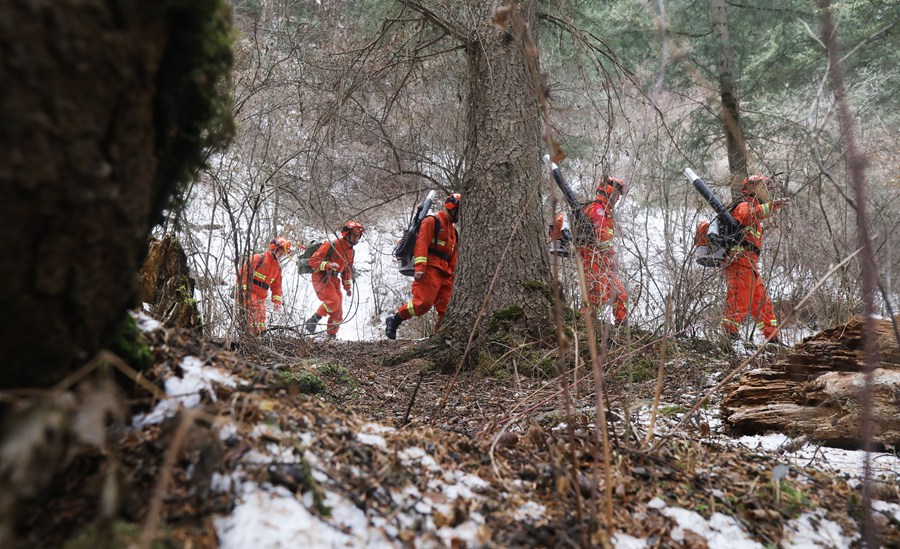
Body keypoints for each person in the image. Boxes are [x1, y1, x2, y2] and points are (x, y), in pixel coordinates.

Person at [722, 174, 790, 346]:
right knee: (738, 300)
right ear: (751, 188)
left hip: (750, 265)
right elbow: (748, 216)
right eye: (763, 186)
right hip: (739, 262)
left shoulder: (755, 208)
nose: (766, 189)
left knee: (762, 303)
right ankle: (729, 339)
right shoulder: (744, 205)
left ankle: (773, 339)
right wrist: (772, 206)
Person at [385, 193, 460, 340]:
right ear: (452, 207)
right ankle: (395, 319)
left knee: (447, 310)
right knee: (422, 304)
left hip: (446, 274)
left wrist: (453, 274)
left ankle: (439, 338)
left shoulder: (454, 231)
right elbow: (421, 244)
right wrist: (420, 268)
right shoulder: (432, 221)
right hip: (430, 269)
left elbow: (453, 256)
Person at [577, 176, 628, 325]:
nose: (618, 198)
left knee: (620, 294)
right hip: (592, 260)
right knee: (597, 296)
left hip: (601, 261)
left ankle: (621, 328)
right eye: (617, 194)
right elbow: (602, 235)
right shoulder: (597, 209)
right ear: (610, 191)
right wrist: (611, 256)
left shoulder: (604, 210)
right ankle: (584, 326)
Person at [304, 220, 364, 338]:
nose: (357, 238)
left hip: (335, 280)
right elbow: (313, 261)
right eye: (355, 235)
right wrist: (328, 265)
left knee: (338, 312)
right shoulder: (332, 245)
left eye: (359, 236)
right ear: (347, 234)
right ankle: (313, 320)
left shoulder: (351, 252)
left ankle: (331, 337)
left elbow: (347, 270)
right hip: (321, 277)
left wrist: (347, 287)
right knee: (333, 301)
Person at [237, 236, 291, 335]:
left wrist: (277, 301)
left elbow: (277, 286)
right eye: (280, 252)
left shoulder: (277, 268)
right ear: (274, 248)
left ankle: (259, 339)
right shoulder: (258, 258)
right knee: (255, 316)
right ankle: (254, 338)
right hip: (249, 293)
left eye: (283, 254)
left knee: (261, 318)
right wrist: (243, 291)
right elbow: (242, 273)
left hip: (260, 297)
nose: (281, 255)